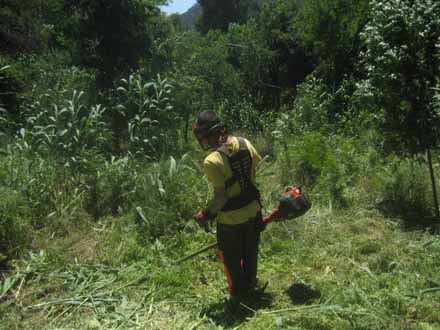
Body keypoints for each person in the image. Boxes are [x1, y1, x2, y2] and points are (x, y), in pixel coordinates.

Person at [192, 110, 266, 308]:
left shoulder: (211, 161)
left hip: (230, 221)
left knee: (232, 260)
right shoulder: (245, 143)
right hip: (253, 210)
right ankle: (251, 286)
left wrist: (206, 215)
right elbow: (252, 175)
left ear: (208, 135)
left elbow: (221, 197)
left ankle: (238, 298)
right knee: (251, 252)